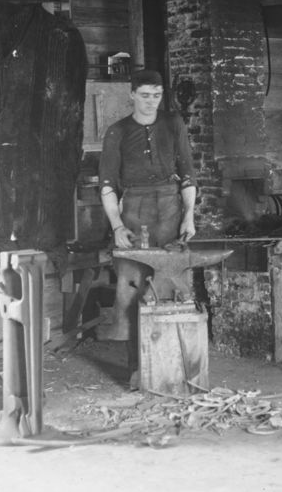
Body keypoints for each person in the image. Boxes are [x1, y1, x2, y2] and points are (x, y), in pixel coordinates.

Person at [97, 69, 197, 383]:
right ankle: (136, 368)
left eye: (156, 95)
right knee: (132, 283)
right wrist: (116, 227)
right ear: (132, 95)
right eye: (144, 95)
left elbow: (188, 173)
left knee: (172, 281)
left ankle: (175, 364)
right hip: (134, 209)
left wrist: (189, 214)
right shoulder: (118, 131)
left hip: (170, 206)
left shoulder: (173, 124)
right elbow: (108, 185)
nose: (151, 101)